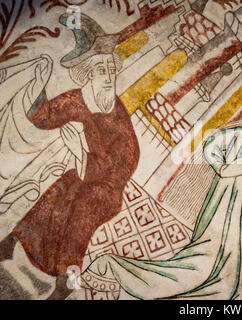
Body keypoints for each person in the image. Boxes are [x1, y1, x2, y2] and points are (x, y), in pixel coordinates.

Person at [68, 83, 242, 300]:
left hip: (235, 224)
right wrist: (226, 170)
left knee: (225, 272)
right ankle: (113, 268)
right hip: (218, 209)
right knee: (205, 261)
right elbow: (211, 147)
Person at [0, 13, 140, 300]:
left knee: (82, 213)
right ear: (89, 73)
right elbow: (46, 116)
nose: (108, 77)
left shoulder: (117, 112)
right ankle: (11, 243)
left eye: (111, 71)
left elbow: (126, 159)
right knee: (57, 193)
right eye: (101, 70)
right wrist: (37, 85)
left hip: (107, 187)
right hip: (83, 173)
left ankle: (68, 282)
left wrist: (82, 152)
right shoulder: (80, 98)